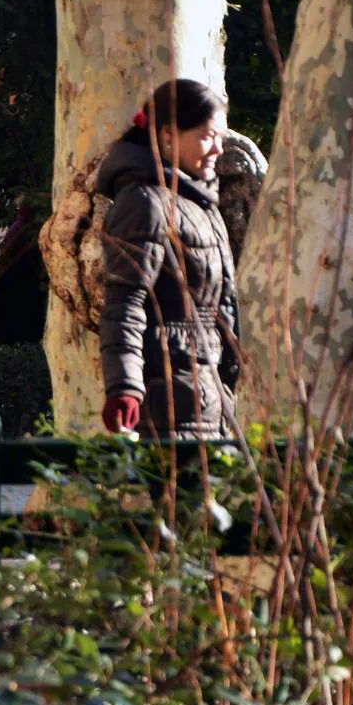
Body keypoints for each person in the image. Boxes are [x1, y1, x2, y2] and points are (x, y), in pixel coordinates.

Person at [98, 79, 240, 440]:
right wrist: (124, 388)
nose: (217, 149)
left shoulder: (200, 204)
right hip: (166, 404)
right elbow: (124, 303)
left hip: (208, 394)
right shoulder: (145, 202)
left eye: (221, 138)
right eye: (207, 136)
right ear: (168, 136)